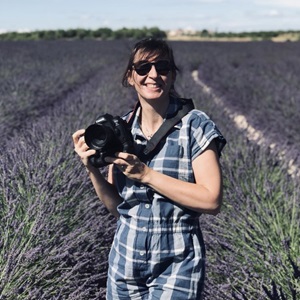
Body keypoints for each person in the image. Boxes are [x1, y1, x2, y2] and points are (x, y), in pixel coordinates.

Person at [72, 38, 226, 300]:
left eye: (162, 67)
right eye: (143, 68)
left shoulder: (195, 125)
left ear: (172, 75)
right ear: (130, 77)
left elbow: (211, 200)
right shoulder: (121, 130)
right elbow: (117, 206)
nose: (153, 75)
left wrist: (146, 175)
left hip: (177, 265)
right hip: (125, 263)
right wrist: (91, 169)